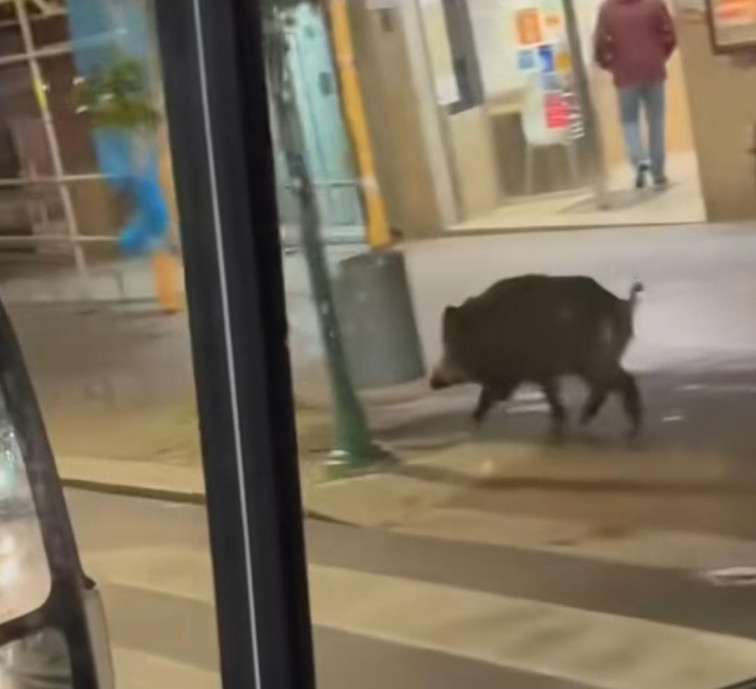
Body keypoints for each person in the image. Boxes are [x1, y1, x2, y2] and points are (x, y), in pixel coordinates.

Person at [594, 0, 677, 190]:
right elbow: (670, 35)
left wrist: (610, 64)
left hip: (625, 74)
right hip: (654, 69)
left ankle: (640, 160)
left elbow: (600, 43)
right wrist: (659, 56)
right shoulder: (655, 4)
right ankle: (658, 173)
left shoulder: (608, 9)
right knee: (656, 121)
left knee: (629, 121)